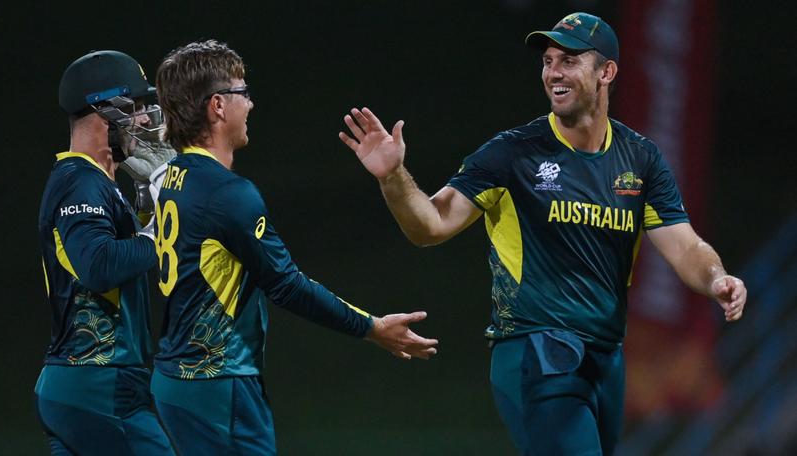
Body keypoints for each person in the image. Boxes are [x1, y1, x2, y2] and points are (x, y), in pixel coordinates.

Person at [339, 12, 747, 456]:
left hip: (605, 360)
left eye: (569, 60)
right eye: (549, 60)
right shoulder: (511, 154)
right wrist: (393, 177)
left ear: (606, 72)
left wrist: (715, 278)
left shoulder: (640, 159)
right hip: (534, 350)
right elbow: (430, 226)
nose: (553, 71)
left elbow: (684, 244)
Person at [150, 39, 438, 456]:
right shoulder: (229, 194)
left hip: (175, 379)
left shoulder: (172, 178)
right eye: (241, 93)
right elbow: (286, 285)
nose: (249, 104)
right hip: (217, 386)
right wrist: (373, 328)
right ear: (217, 106)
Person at [36, 50, 175, 454]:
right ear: (103, 110)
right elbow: (98, 266)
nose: (147, 119)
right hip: (99, 382)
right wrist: (163, 231)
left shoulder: (94, 181)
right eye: (134, 107)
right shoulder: (81, 181)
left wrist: (148, 202)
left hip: (80, 385)